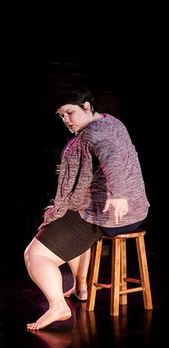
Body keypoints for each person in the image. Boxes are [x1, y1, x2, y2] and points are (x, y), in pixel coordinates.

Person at [24, 86, 149, 330]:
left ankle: (58, 306)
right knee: (68, 221)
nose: (66, 121)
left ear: (87, 107)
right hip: (135, 212)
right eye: (61, 116)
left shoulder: (93, 133)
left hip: (110, 214)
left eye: (70, 113)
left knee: (34, 255)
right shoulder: (111, 122)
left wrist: (118, 194)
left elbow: (110, 154)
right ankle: (81, 287)